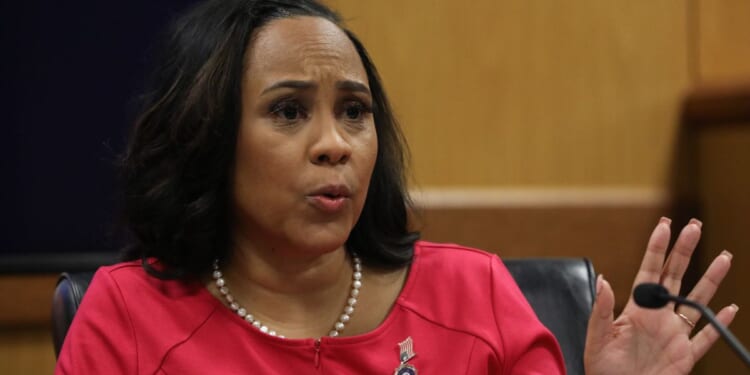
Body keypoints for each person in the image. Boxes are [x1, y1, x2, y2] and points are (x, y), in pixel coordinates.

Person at [55, 0, 738, 374]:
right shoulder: (128, 316)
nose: (335, 143)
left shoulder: (477, 295)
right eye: (289, 111)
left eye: (354, 111)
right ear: (209, 135)